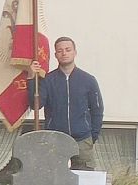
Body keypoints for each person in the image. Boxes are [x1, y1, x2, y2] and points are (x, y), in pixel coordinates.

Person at [28, 37, 103, 170]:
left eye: (68, 50)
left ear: (75, 52)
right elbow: (36, 105)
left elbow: (97, 110)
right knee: (55, 183)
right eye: (60, 50)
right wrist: (31, 79)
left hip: (82, 141)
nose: (64, 53)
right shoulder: (48, 80)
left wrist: (92, 136)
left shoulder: (88, 80)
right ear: (56, 54)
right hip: (55, 141)